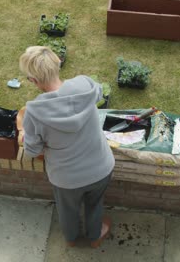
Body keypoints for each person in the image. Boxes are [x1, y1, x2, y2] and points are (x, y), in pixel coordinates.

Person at [19, 46, 115, 248]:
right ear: (58, 64)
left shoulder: (34, 113)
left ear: (34, 81)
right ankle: (94, 236)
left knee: (67, 210)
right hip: (101, 167)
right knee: (94, 204)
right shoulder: (85, 84)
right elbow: (98, 95)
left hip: (66, 179)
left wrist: (24, 134)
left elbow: (32, 151)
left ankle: (71, 239)